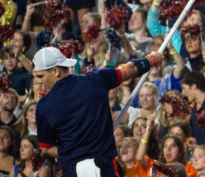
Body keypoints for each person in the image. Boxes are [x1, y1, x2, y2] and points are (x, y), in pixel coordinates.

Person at [33, 47, 163, 177]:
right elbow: (131, 69)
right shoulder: (96, 79)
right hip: (105, 169)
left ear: (56, 71)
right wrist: (152, 59)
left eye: (41, 76)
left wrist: (72, 151)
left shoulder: (44, 106)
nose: (39, 81)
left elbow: (46, 148)